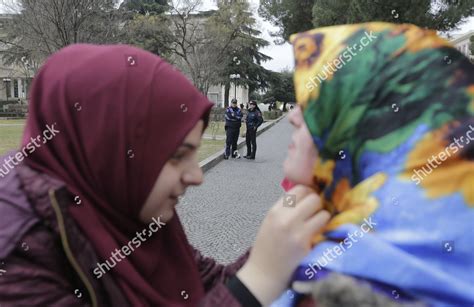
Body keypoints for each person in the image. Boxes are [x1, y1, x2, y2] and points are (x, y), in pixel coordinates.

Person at [0, 44, 330, 306]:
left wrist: (278, 243)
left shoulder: (124, 205)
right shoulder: (14, 252)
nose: (196, 176)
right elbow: (241, 288)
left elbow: (210, 284)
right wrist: (258, 277)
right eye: (177, 156)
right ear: (108, 147)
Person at [272, 23, 474, 306]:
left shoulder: (338, 284)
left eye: (314, 105)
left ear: (371, 126)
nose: (293, 117)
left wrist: (256, 278)